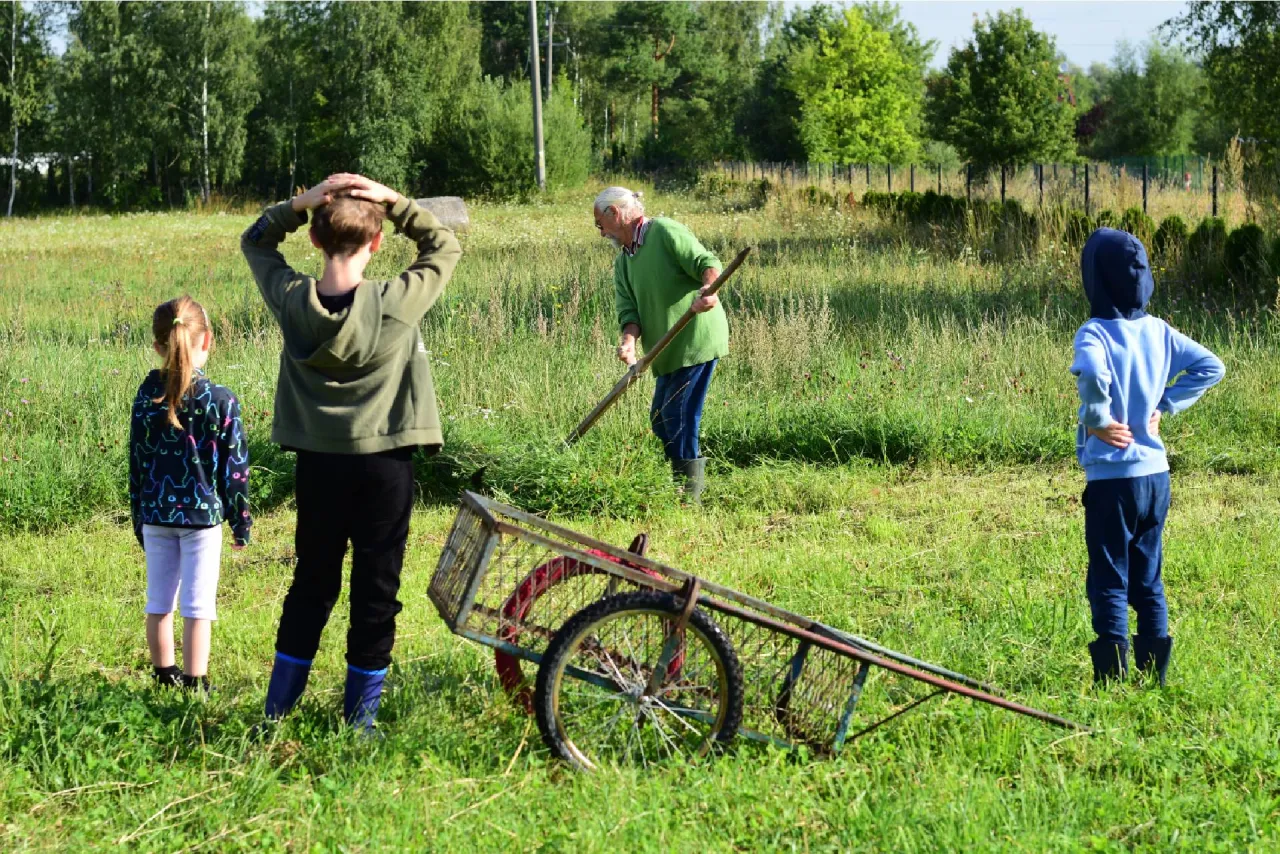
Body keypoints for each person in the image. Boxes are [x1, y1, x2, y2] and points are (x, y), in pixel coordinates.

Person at [241, 173, 461, 732]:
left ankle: (277, 713)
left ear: (314, 240)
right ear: (378, 242)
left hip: (318, 464)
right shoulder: (394, 304)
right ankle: (359, 725)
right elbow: (444, 245)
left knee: (312, 584)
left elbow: (255, 241)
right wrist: (395, 202)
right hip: (386, 465)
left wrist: (298, 204)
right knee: (376, 589)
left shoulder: (292, 300)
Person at [1071, 227, 1225, 686]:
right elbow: (1211, 366)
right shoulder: (1159, 331)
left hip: (1112, 479)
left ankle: (1112, 681)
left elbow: (1091, 371)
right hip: (1157, 478)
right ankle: (1154, 677)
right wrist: (1165, 404)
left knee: (1109, 576)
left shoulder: (1094, 333)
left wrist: (1097, 419)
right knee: (1149, 577)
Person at [129, 295, 251, 693]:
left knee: (159, 600)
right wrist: (241, 524)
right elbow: (234, 472)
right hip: (202, 518)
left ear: (157, 346)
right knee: (198, 605)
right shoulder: (221, 400)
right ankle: (196, 681)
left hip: (156, 514)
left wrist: (139, 516)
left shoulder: (146, 396)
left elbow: (137, 461)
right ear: (207, 340)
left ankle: (165, 675)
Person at [593, 186, 726, 503]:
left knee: (678, 417)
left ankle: (688, 498)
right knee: (660, 419)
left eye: (600, 224)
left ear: (615, 213)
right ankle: (680, 485)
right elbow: (629, 313)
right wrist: (628, 342)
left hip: (695, 340)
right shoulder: (624, 263)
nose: (601, 233)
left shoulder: (664, 231)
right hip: (664, 352)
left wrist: (710, 291)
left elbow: (706, 262)